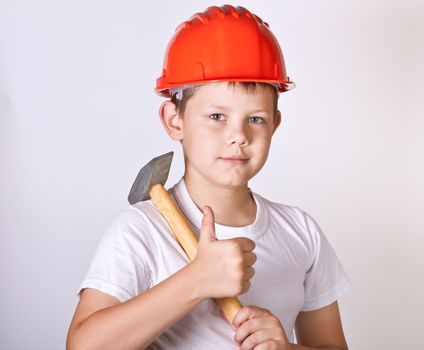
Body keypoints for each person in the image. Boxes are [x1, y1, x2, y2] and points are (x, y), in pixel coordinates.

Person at [67, 5, 351, 350]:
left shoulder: (301, 231)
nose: (238, 135)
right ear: (175, 121)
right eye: (217, 115)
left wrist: (286, 349)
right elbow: (83, 346)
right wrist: (196, 280)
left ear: (275, 125)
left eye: (256, 119)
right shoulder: (140, 231)